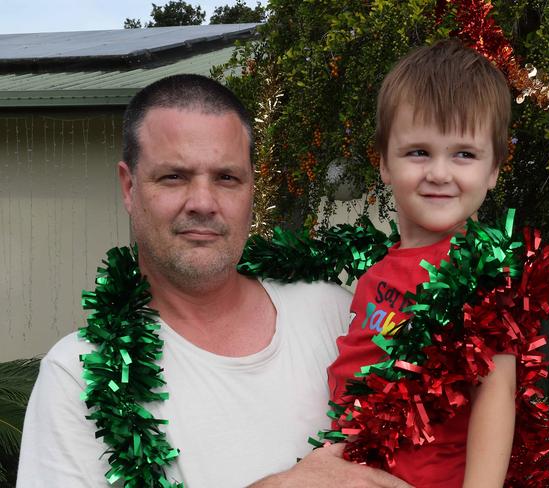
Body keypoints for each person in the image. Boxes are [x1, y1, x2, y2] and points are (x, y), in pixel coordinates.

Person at [17, 74, 411, 488]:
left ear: (251, 189)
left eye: (226, 178)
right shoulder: (80, 375)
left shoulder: (338, 315)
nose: (203, 203)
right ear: (129, 187)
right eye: (174, 176)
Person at [327, 39, 516, 488]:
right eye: (418, 152)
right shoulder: (377, 273)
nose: (439, 173)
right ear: (384, 164)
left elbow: (497, 394)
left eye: (464, 154)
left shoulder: (479, 272)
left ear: (494, 169)